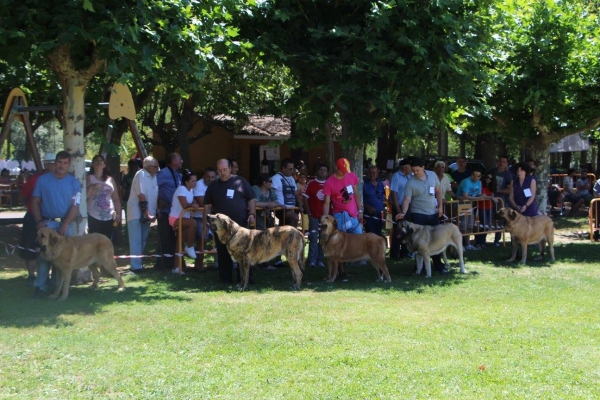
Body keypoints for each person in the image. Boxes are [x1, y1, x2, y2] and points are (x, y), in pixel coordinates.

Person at [31, 151, 81, 298]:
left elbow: (75, 205)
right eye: (59, 162)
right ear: (55, 162)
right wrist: (39, 222)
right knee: (44, 257)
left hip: (66, 224)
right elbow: (35, 201)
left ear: (69, 165)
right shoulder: (43, 180)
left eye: (65, 163)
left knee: (62, 258)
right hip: (46, 223)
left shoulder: (74, 183)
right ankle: (40, 287)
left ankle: (56, 288)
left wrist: (65, 224)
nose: (62, 165)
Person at [203, 159, 256, 284]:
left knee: (244, 251)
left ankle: (246, 278)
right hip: (221, 228)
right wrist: (206, 222)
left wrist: (252, 214)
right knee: (223, 252)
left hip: (240, 225)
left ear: (230, 168)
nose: (222, 173)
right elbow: (207, 206)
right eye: (219, 170)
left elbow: (251, 200)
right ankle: (225, 278)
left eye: (225, 170)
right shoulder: (213, 185)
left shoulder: (241, 181)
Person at [395, 156, 446, 274]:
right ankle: (419, 268)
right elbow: (407, 200)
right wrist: (403, 212)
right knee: (418, 242)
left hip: (433, 213)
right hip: (418, 215)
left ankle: (439, 266)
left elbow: (438, 191)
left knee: (435, 240)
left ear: (423, 167)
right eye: (413, 170)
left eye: (417, 170)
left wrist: (440, 207)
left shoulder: (433, 175)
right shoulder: (410, 182)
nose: (415, 173)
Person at [322, 158, 364, 281]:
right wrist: (326, 218)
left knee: (359, 237)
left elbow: (356, 194)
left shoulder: (351, 176)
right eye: (343, 170)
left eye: (347, 169)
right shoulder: (329, 182)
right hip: (339, 216)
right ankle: (341, 272)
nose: (345, 172)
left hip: (353, 215)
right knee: (338, 245)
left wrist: (360, 211)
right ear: (337, 167)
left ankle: (356, 261)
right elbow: (326, 202)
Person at [18, 153, 56, 281]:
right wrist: (32, 207)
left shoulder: (59, 179)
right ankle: (31, 275)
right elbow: (23, 196)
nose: (53, 166)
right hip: (33, 217)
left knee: (50, 247)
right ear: (46, 164)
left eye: (55, 163)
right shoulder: (35, 179)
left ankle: (47, 276)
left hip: (50, 217)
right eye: (50, 163)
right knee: (30, 246)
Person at [127, 156, 159, 273]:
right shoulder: (141, 174)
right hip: (137, 213)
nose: (157, 169)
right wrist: (148, 213)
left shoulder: (153, 177)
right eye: (156, 166)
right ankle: (135, 267)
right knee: (136, 240)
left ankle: (139, 264)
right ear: (149, 167)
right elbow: (141, 195)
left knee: (143, 240)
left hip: (147, 214)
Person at [156, 153, 183, 269]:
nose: (182, 161)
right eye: (180, 159)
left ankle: (174, 262)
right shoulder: (163, 174)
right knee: (165, 237)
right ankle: (163, 264)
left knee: (173, 238)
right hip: (165, 211)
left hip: (175, 212)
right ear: (173, 161)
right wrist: (158, 200)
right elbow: (152, 187)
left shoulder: (178, 175)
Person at [169, 170, 199, 273]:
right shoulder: (181, 189)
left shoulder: (191, 191)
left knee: (180, 241)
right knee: (193, 223)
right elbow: (185, 205)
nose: (195, 183)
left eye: (196, 180)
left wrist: (195, 204)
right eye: (193, 181)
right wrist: (192, 205)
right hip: (176, 218)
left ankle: (176, 267)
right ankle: (189, 246)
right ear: (186, 182)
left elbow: (193, 202)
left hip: (184, 218)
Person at [86, 154, 122, 239]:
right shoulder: (88, 178)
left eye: (101, 160)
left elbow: (116, 198)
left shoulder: (110, 179)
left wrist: (119, 214)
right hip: (93, 215)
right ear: (92, 164)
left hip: (109, 216)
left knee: (106, 242)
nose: (99, 161)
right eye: (96, 160)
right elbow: (84, 197)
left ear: (105, 165)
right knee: (93, 242)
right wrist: (92, 187)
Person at [302, 163, 328, 268]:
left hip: (325, 217)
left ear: (327, 172)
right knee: (313, 237)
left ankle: (320, 260)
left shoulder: (329, 183)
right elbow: (304, 198)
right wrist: (309, 212)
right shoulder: (311, 183)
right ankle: (311, 260)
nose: (322, 172)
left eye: (325, 170)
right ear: (317, 171)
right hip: (313, 215)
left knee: (323, 238)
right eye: (321, 170)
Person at [192, 166, 217, 270]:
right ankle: (199, 264)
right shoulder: (198, 184)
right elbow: (203, 202)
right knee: (202, 238)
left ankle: (218, 264)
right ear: (203, 176)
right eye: (208, 176)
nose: (210, 179)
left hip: (214, 217)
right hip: (199, 217)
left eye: (212, 177)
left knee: (220, 239)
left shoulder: (218, 184)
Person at [389, 158, 413, 258]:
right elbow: (393, 194)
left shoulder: (410, 176)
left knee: (407, 229)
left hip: (408, 206)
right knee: (398, 230)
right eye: (410, 166)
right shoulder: (396, 176)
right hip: (398, 206)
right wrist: (398, 210)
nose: (411, 168)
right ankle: (394, 253)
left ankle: (405, 252)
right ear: (405, 167)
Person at [271, 158, 303, 228]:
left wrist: (300, 204)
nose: (292, 171)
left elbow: (296, 193)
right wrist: (277, 204)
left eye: (293, 169)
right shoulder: (275, 178)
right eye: (290, 169)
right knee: (295, 217)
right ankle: (293, 235)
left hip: (292, 207)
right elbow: (271, 193)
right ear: (283, 168)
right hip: (281, 208)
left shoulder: (291, 178)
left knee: (285, 226)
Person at [491, 155, 513, 246]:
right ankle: (481, 240)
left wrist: (497, 190)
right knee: (486, 218)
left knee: (499, 218)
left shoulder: (508, 175)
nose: (501, 163)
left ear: (506, 164)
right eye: (500, 161)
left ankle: (497, 240)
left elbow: (509, 190)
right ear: (497, 162)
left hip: (500, 199)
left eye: (504, 162)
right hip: (488, 198)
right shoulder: (492, 171)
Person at [475, 172, 498, 247]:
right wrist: (491, 197)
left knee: (487, 225)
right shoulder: (480, 185)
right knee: (484, 224)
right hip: (481, 207)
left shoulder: (492, 187)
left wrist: (491, 197)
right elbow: (481, 196)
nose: (489, 179)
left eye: (491, 178)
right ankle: (479, 242)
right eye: (487, 177)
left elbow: (491, 196)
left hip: (489, 207)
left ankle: (482, 241)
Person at [363, 165, 385, 236]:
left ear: (377, 173)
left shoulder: (381, 184)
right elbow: (360, 200)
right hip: (369, 216)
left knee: (379, 235)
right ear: (368, 173)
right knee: (371, 236)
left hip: (379, 215)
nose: (372, 174)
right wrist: (367, 207)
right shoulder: (364, 184)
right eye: (370, 172)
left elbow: (383, 197)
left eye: (374, 172)